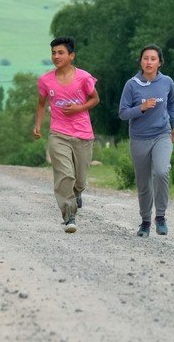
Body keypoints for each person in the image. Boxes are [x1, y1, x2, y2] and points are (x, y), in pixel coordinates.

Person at [33, 37, 100, 233]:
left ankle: (77, 192)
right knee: (65, 175)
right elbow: (41, 104)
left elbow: (95, 99)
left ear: (71, 55)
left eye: (60, 53)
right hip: (58, 133)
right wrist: (37, 125)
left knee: (79, 179)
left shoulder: (84, 78)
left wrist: (80, 107)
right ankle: (69, 214)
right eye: (53, 53)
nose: (56, 56)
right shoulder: (46, 80)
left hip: (83, 134)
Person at [118, 45, 174, 238]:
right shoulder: (132, 84)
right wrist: (141, 108)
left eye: (153, 59)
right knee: (144, 183)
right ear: (140, 61)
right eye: (145, 58)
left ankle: (160, 217)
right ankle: (145, 221)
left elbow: (173, 103)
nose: (149, 62)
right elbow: (122, 113)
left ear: (159, 62)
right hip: (139, 138)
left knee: (161, 171)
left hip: (162, 134)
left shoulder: (167, 82)